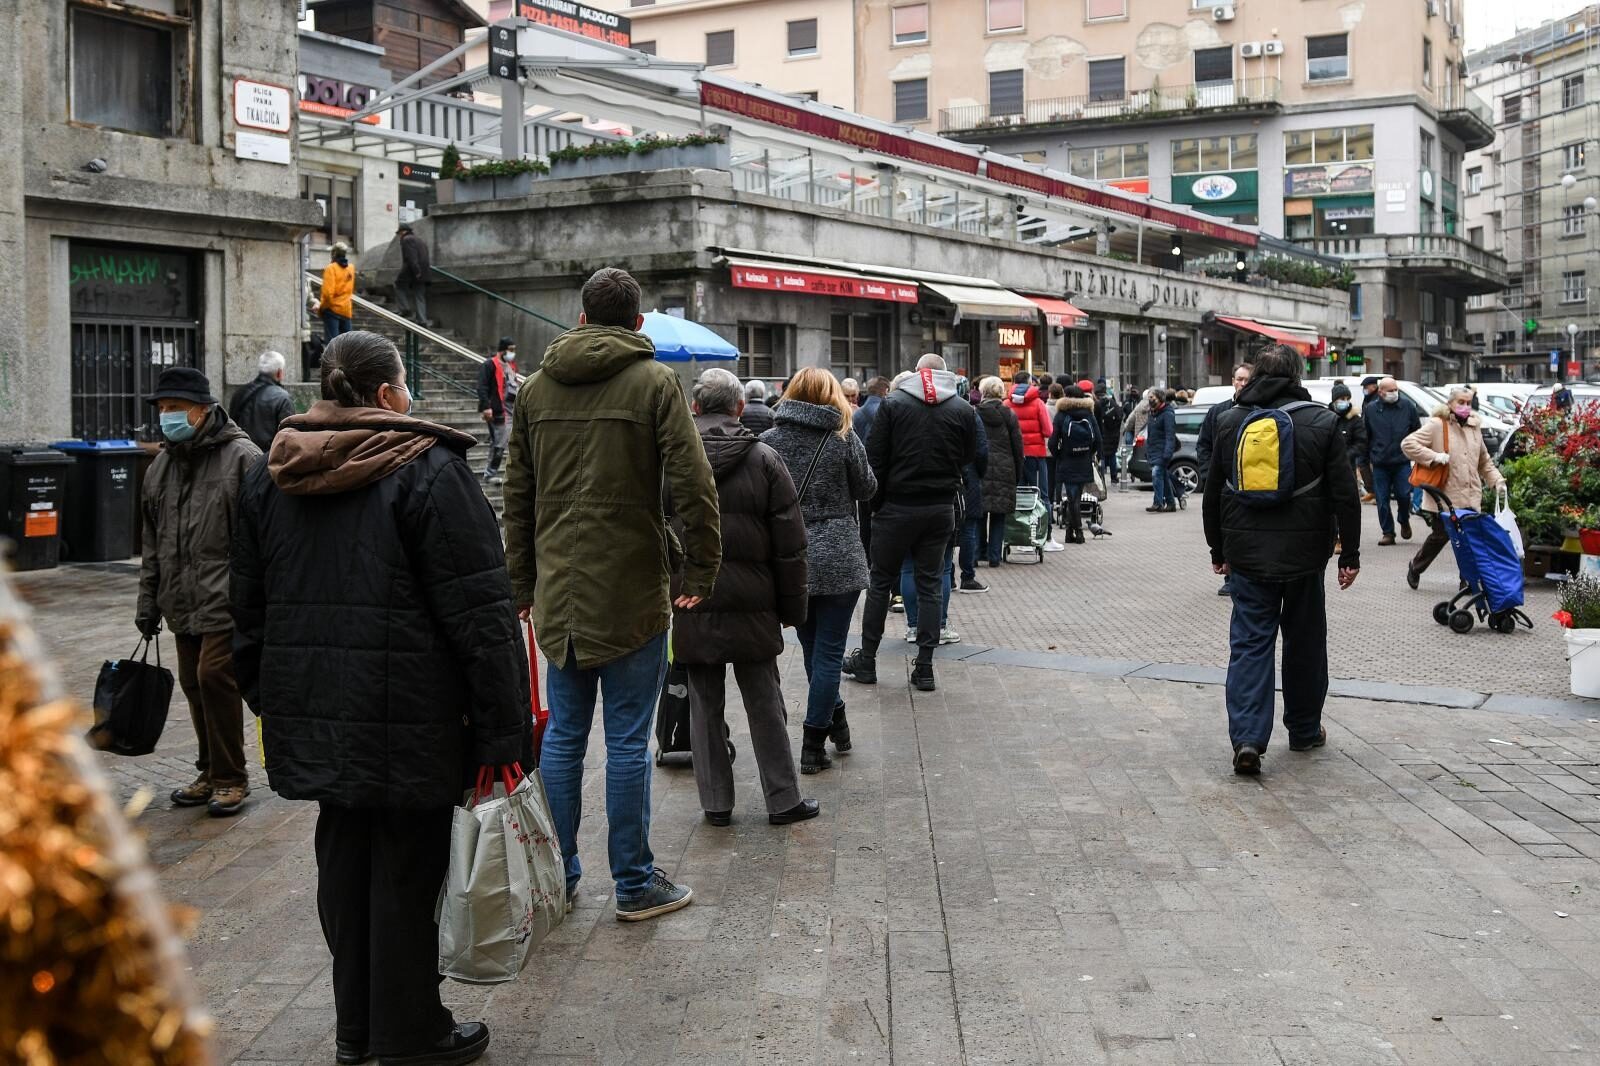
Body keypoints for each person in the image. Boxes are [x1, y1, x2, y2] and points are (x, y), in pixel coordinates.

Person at [231, 331, 524, 1066]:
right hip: (415, 716)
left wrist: (275, 695)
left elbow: (245, 610)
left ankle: (358, 1028)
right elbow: (480, 615)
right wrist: (502, 730)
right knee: (405, 870)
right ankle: (409, 1031)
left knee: (346, 863)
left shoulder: (273, 472)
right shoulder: (427, 469)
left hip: (318, 710)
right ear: (390, 393)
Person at [503, 267, 720, 922]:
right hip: (632, 594)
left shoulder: (536, 389)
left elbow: (517, 496)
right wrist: (702, 571)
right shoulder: (655, 383)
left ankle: (560, 875)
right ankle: (633, 882)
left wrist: (520, 582)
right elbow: (694, 485)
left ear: (580, 318)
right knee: (627, 742)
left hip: (560, 599)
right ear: (637, 322)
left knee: (565, 738)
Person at [1202, 344, 1361, 776]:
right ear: (1295, 374)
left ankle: (1249, 739)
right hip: (1306, 557)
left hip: (1247, 556)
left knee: (1250, 644)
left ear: (1253, 376)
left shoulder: (1230, 420)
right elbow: (1345, 494)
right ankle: (1305, 730)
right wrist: (1350, 552)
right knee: (1306, 642)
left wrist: (1218, 550)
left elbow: (1213, 491)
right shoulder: (1323, 422)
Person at [672, 369, 815, 825]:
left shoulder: (670, 460)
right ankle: (782, 798)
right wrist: (794, 609)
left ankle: (716, 802)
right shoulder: (765, 459)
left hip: (691, 601)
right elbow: (790, 544)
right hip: (754, 603)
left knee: (703, 703)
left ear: (695, 408)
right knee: (765, 701)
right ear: (738, 408)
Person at [135, 367, 261, 818]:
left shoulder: (242, 457)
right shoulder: (161, 467)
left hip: (227, 598)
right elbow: (152, 541)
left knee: (214, 677)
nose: (166, 417)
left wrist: (256, 598)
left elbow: (263, 534)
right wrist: (148, 602)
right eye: (162, 409)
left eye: (175, 409)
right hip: (180, 597)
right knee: (192, 683)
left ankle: (231, 777)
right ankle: (208, 770)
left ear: (203, 410)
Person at [762, 367, 877, 773]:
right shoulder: (843, 438)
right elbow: (867, 489)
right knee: (827, 654)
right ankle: (814, 744)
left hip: (792, 559)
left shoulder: (768, 442)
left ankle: (838, 724)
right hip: (841, 558)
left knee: (815, 652)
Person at [842, 354, 978, 693]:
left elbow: (875, 459)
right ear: (945, 374)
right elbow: (969, 456)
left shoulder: (893, 404)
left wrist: (877, 505)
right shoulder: (962, 409)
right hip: (939, 507)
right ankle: (925, 666)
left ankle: (868, 659)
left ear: (917, 373)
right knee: (930, 583)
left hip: (896, 507)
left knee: (880, 583)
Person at [1400, 384, 1506, 589]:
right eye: (1461, 402)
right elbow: (1408, 444)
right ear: (1450, 404)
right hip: (1444, 495)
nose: (1465, 407)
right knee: (1441, 536)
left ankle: (1467, 581)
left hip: (1470, 493)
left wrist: (1497, 481)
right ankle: (1416, 566)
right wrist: (1434, 457)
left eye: (1468, 403)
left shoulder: (1475, 427)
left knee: (1469, 540)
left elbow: (1484, 461)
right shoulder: (1437, 425)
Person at [1197, 363, 1251, 595]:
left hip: (1249, 484)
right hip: (1222, 484)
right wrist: (1210, 474)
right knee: (1224, 528)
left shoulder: (1257, 411)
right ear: (1232, 380)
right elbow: (1204, 445)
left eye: (1246, 380)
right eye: (1239, 379)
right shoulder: (1218, 412)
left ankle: (1245, 575)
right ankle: (1229, 577)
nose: (1242, 383)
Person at [1362, 375, 1420, 547]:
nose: (1394, 393)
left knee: (1403, 495)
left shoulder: (1407, 406)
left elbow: (1416, 431)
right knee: (1382, 499)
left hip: (1402, 460)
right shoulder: (1371, 410)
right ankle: (1388, 532)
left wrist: (1416, 453)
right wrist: (1364, 460)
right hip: (1380, 462)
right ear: (1380, 392)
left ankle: (1404, 519)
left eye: (1396, 390)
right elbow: (1365, 436)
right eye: (1390, 390)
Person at [975, 376, 1024, 568]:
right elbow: (1017, 446)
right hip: (1005, 468)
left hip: (981, 468)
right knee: (999, 515)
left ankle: (978, 552)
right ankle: (995, 556)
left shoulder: (974, 413)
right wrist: (1017, 472)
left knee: (979, 513)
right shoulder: (1008, 415)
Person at [1006, 371, 1057, 548]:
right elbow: (1048, 431)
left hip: (1015, 456)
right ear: (1029, 383)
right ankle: (1046, 536)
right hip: (1036, 456)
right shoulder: (1038, 404)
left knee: (1019, 495)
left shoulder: (1006, 404)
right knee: (1042, 495)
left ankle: (1019, 535)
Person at [1049, 385, 1100, 544]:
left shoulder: (1061, 415)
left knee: (1073, 499)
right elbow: (1098, 439)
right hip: (1083, 461)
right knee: (1075, 496)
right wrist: (1089, 453)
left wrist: (1059, 455)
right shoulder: (1088, 414)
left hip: (1067, 460)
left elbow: (1052, 442)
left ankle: (1078, 532)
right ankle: (1070, 532)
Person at [228, 350, 297, 453]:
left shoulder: (239, 393)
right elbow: (288, 437)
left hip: (241, 456)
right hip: (267, 461)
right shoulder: (283, 398)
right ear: (279, 373)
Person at [1328, 382, 1368, 551]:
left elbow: (1361, 442)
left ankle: (1344, 539)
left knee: (1345, 505)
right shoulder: (1327, 417)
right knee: (1331, 506)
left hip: (1347, 468)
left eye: (1347, 398)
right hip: (1329, 468)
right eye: (1341, 398)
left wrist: (1346, 455)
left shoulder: (1355, 419)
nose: (1344, 401)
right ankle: (1333, 537)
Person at [475, 337, 516, 485]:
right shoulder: (490, 365)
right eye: (510, 349)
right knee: (499, 443)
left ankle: (492, 473)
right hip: (498, 411)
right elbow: (482, 386)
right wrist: (486, 407)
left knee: (501, 442)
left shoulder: (510, 366)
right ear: (503, 349)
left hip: (510, 411)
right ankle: (490, 474)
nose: (512, 353)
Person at [1145, 389, 1179, 513]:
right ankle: (1171, 503)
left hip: (1163, 451)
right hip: (1154, 450)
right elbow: (1150, 434)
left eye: (1153, 397)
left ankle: (1158, 503)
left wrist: (1167, 452)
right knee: (1163, 476)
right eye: (1149, 397)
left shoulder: (1167, 414)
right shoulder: (1152, 413)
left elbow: (1170, 435)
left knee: (1156, 474)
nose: (1150, 400)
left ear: (1160, 399)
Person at [393, 223, 431, 326]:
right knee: (419, 295)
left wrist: (416, 271)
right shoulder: (420, 240)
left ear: (403, 232)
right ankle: (422, 320)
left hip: (413, 271)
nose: (400, 236)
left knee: (398, 285)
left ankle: (405, 309)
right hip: (424, 271)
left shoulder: (407, 240)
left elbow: (411, 257)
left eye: (400, 233)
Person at [318, 242, 355, 342]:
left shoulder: (331, 268)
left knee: (332, 343)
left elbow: (327, 293)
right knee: (347, 344)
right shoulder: (350, 268)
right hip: (346, 309)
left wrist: (322, 308)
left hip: (332, 309)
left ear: (333, 253)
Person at [1092, 379, 1123, 483]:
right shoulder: (1113, 403)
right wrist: (1115, 428)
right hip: (1113, 434)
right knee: (1112, 455)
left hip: (1102, 434)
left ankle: (1101, 478)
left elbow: (1095, 420)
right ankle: (1114, 477)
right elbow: (1120, 415)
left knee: (1102, 455)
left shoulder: (1097, 404)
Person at [1357, 375, 1382, 499]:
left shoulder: (1377, 399)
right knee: (1362, 462)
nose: (1364, 389)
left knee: (1372, 464)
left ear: (1374, 386)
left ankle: (1377, 492)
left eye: (1366, 387)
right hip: (1365, 437)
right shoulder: (1367, 399)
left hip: (1373, 438)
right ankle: (1372, 491)